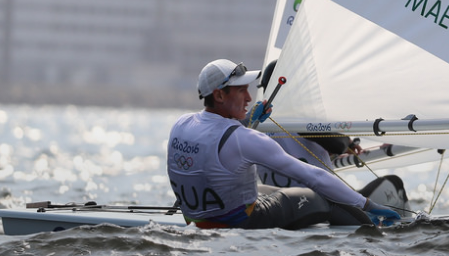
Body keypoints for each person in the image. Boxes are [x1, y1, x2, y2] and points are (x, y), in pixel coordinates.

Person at [166, 58, 401, 230]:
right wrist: (367, 204)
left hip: (198, 220)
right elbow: (315, 177)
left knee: (276, 191)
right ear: (219, 96)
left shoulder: (181, 124)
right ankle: (376, 234)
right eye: (241, 91)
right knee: (324, 196)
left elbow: (217, 156)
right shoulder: (244, 138)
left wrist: (251, 121)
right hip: (244, 222)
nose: (249, 98)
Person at [254, 60, 410, 212]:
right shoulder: (299, 117)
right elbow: (336, 144)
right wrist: (347, 142)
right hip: (323, 206)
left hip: (284, 208)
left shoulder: (255, 127)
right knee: (394, 183)